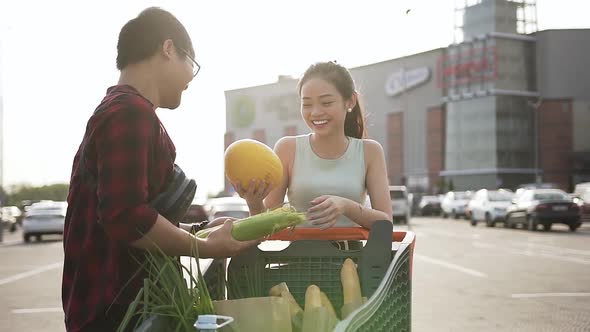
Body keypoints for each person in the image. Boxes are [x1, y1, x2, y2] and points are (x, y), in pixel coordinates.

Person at [61, 8, 259, 332]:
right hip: (118, 314)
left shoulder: (121, 110)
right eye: (190, 65)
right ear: (168, 49)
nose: (190, 81)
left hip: (111, 308)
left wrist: (202, 232)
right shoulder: (129, 112)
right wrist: (205, 247)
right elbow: (125, 217)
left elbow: (136, 223)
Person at [237, 61, 393, 229]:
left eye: (326, 103)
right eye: (307, 104)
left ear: (350, 101)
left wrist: (345, 206)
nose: (316, 112)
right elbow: (266, 226)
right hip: (296, 255)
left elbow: (386, 223)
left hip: (352, 256)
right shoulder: (287, 148)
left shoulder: (370, 152)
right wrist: (253, 203)